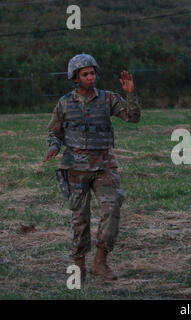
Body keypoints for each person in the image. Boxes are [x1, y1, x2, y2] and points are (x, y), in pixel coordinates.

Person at [43, 53, 141, 282]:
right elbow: (54, 132)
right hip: (75, 167)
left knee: (112, 208)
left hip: (104, 166)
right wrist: (53, 147)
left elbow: (133, 117)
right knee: (80, 219)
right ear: (75, 78)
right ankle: (78, 264)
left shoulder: (108, 99)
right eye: (85, 74)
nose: (91, 77)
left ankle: (100, 262)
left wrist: (130, 93)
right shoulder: (65, 102)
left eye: (93, 73)